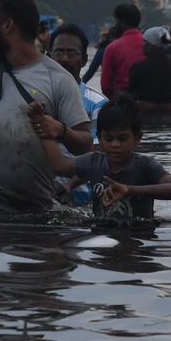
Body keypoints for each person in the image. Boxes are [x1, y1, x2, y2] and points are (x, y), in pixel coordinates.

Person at [0, 0, 92, 212]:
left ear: (8, 26)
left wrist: (60, 130)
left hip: (35, 210)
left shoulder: (58, 79)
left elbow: (85, 143)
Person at [40, 95, 171, 224]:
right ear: (100, 138)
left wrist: (130, 190)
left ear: (137, 138)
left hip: (139, 240)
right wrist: (43, 127)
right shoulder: (93, 162)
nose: (115, 145)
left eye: (122, 138)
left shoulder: (145, 165)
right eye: (108, 138)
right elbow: (59, 164)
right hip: (101, 241)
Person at [49, 23, 108, 206]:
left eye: (72, 53)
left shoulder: (98, 103)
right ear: (48, 57)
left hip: (83, 202)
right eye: (58, 52)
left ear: (84, 60)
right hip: (40, 196)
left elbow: (101, 157)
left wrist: (68, 186)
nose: (64, 59)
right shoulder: (35, 99)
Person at [128, 26, 171, 125]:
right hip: (170, 118)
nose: (142, 45)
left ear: (152, 45)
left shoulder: (138, 68)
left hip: (145, 118)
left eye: (144, 42)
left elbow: (131, 92)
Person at [100, 3, 145, 98]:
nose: (115, 24)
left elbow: (105, 85)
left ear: (123, 22)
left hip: (121, 103)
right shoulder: (150, 45)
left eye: (116, 21)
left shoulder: (112, 48)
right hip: (146, 101)